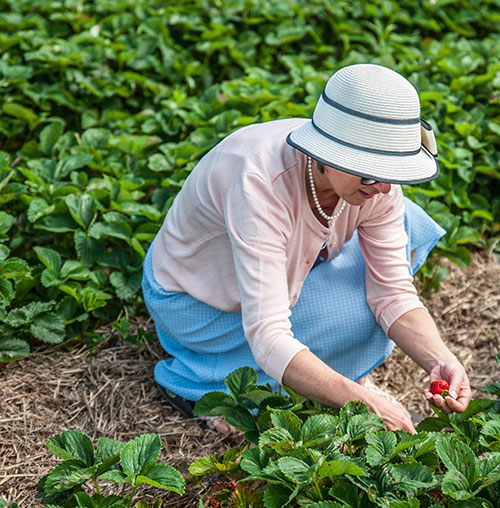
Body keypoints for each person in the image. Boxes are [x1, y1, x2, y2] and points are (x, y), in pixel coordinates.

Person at [142, 64, 471, 433]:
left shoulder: (375, 184)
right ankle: (200, 381)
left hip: (286, 270)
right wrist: (366, 404)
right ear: (327, 152)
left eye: (391, 171)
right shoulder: (259, 182)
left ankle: (322, 376)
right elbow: (269, 336)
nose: (381, 186)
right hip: (196, 302)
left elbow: (392, 293)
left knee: (404, 229)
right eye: (369, 171)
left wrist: (439, 359)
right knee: (353, 319)